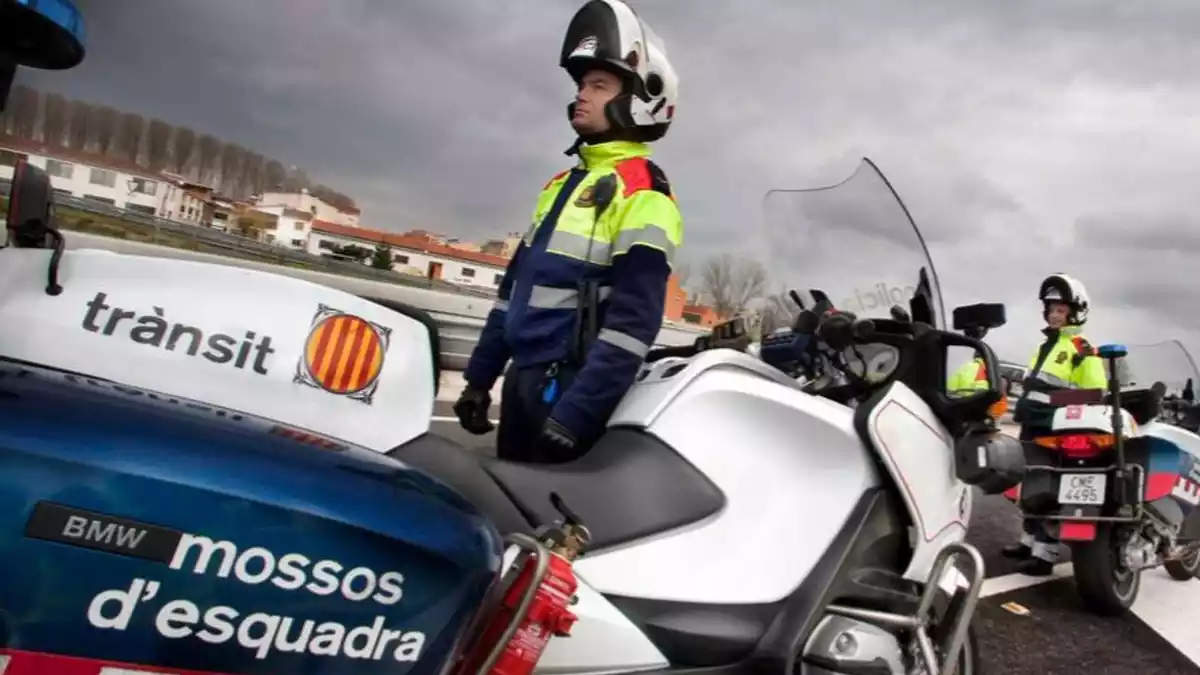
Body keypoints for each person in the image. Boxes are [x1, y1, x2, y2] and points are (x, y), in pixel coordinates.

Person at [453, 0, 683, 463]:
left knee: (557, 529)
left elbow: (633, 325)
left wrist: (579, 412)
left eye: (598, 85)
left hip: (571, 390)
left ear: (640, 96)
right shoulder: (561, 185)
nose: (582, 94)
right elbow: (511, 293)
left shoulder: (645, 194)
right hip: (524, 381)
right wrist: (480, 380)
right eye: (581, 84)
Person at [1004, 273, 1108, 575]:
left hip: (1056, 428)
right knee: (1031, 484)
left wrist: (1059, 409)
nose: (1054, 315)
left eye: (1060, 310)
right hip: (1033, 423)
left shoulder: (1081, 347)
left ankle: (1045, 555)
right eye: (1051, 309)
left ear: (1076, 312)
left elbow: (1094, 392)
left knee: (1049, 488)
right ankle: (1027, 542)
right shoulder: (1044, 346)